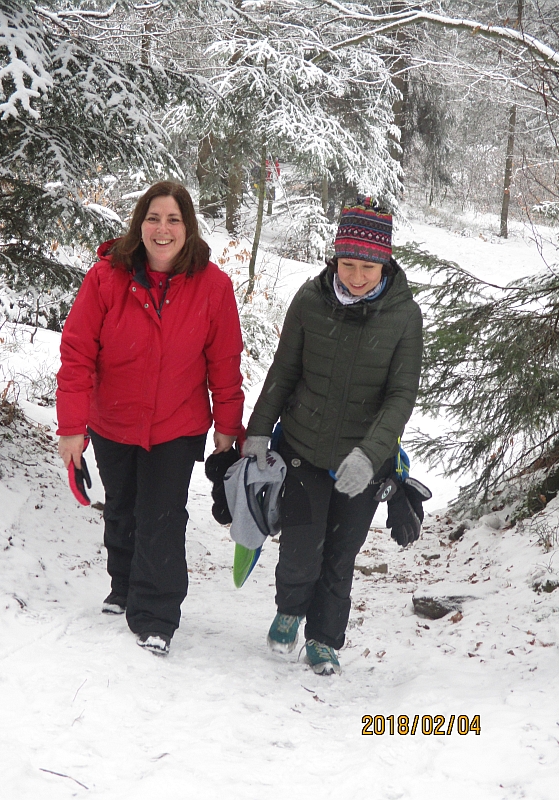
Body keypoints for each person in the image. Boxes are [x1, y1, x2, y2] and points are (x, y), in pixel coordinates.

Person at [56, 181, 244, 656]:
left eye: (174, 220)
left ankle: (156, 616)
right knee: (122, 506)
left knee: (161, 517)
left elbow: (224, 362)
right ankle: (124, 584)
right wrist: (72, 428)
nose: (163, 229)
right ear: (140, 225)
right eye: (154, 218)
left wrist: (228, 425)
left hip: (176, 425)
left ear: (188, 228)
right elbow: (78, 354)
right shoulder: (105, 279)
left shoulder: (214, 285)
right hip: (112, 419)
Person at [243, 197, 423, 675]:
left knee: (340, 556)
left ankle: (324, 639)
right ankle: (289, 610)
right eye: (347, 264)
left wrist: (371, 453)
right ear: (334, 258)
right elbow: (283, 372)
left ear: (384, 262)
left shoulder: (404, 317)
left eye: (367, 266)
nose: (357, 276)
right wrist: (259, 432)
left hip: (363, 465)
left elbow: (401, 396)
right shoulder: (309, 301)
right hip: (302, 449)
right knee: (301, 549)